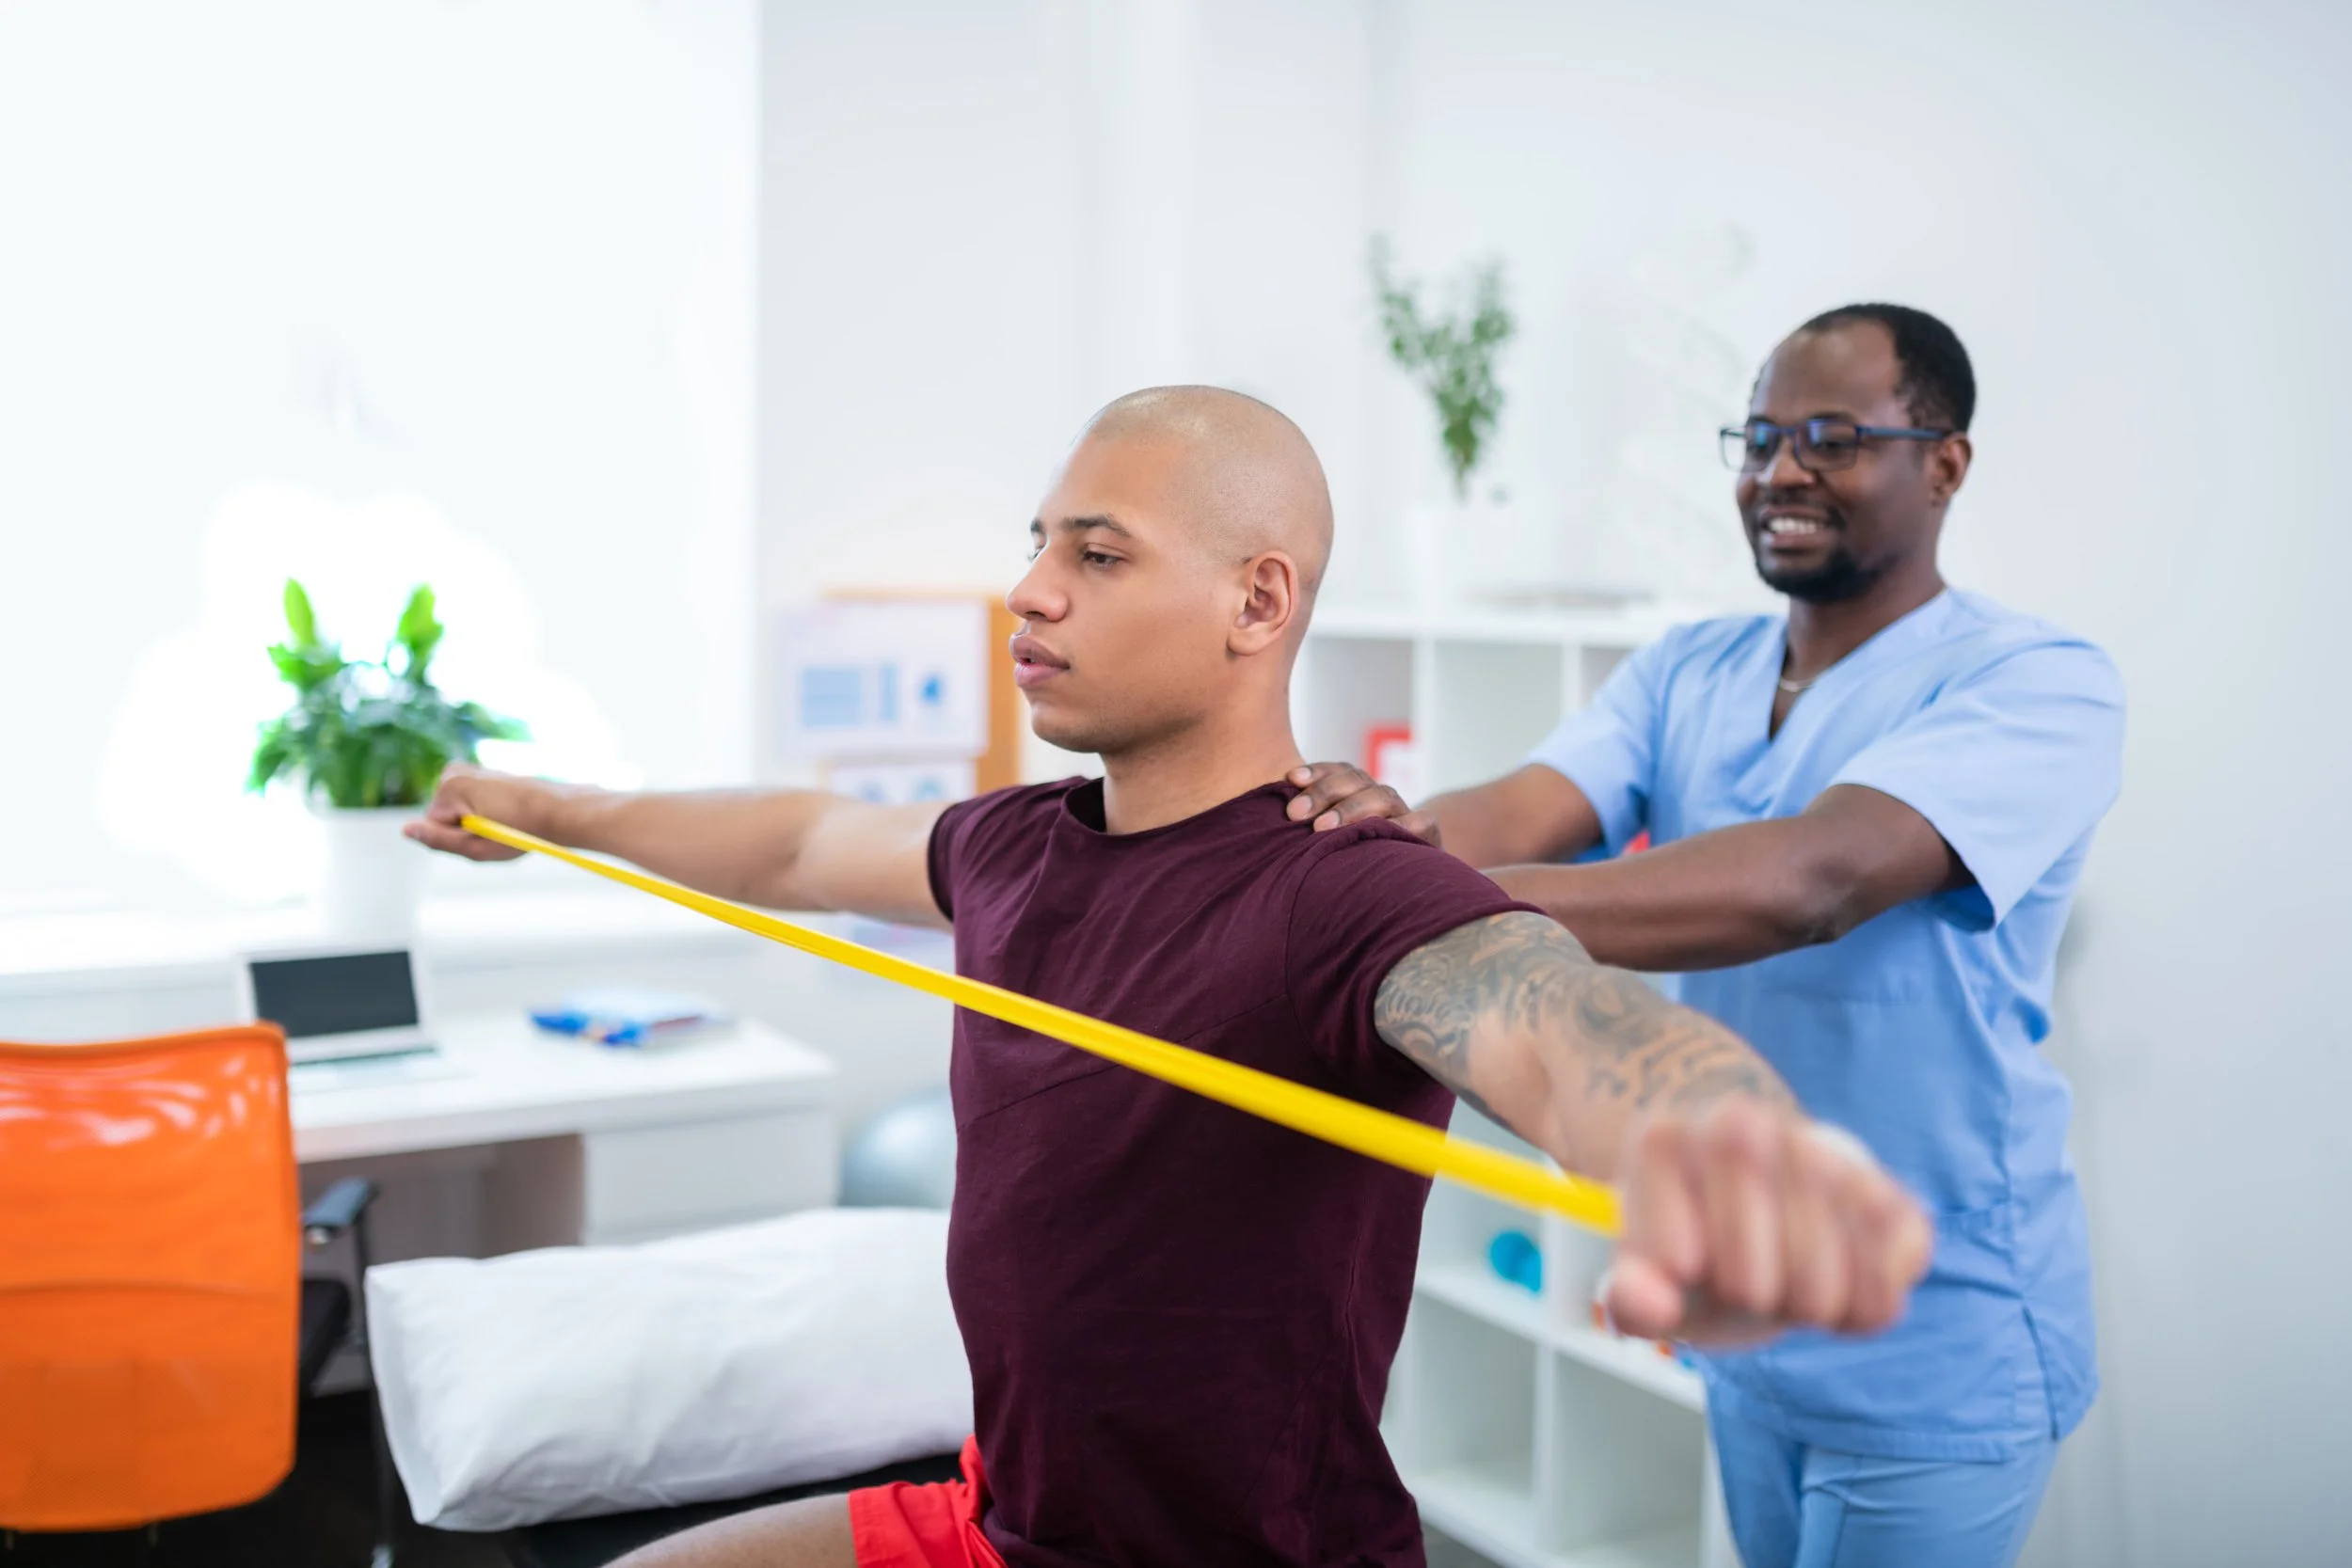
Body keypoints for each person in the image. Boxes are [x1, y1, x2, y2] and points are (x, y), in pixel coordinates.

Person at [411, 386, 1931, 1568]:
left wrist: (1716, 1137)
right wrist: (544, 813)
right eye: (1038, 542)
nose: (1031, 590)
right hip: (1004, 1522)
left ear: (1257, 603)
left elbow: (1548, 1018)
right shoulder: (1010, 848)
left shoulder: (1343, 884)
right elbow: (803, 836)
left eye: (1098, 553)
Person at [1287, 306, 2125, 1568]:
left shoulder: (2037, 680)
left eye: (1833, 438)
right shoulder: (1690, 668)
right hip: (1745, 1308)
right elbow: (1521, 809)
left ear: (1945, 462)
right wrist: (1374, 837)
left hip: (1934, 1340)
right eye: (1760, 437)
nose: (1780, 471)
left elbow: (1812, 879)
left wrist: (1420, 899)